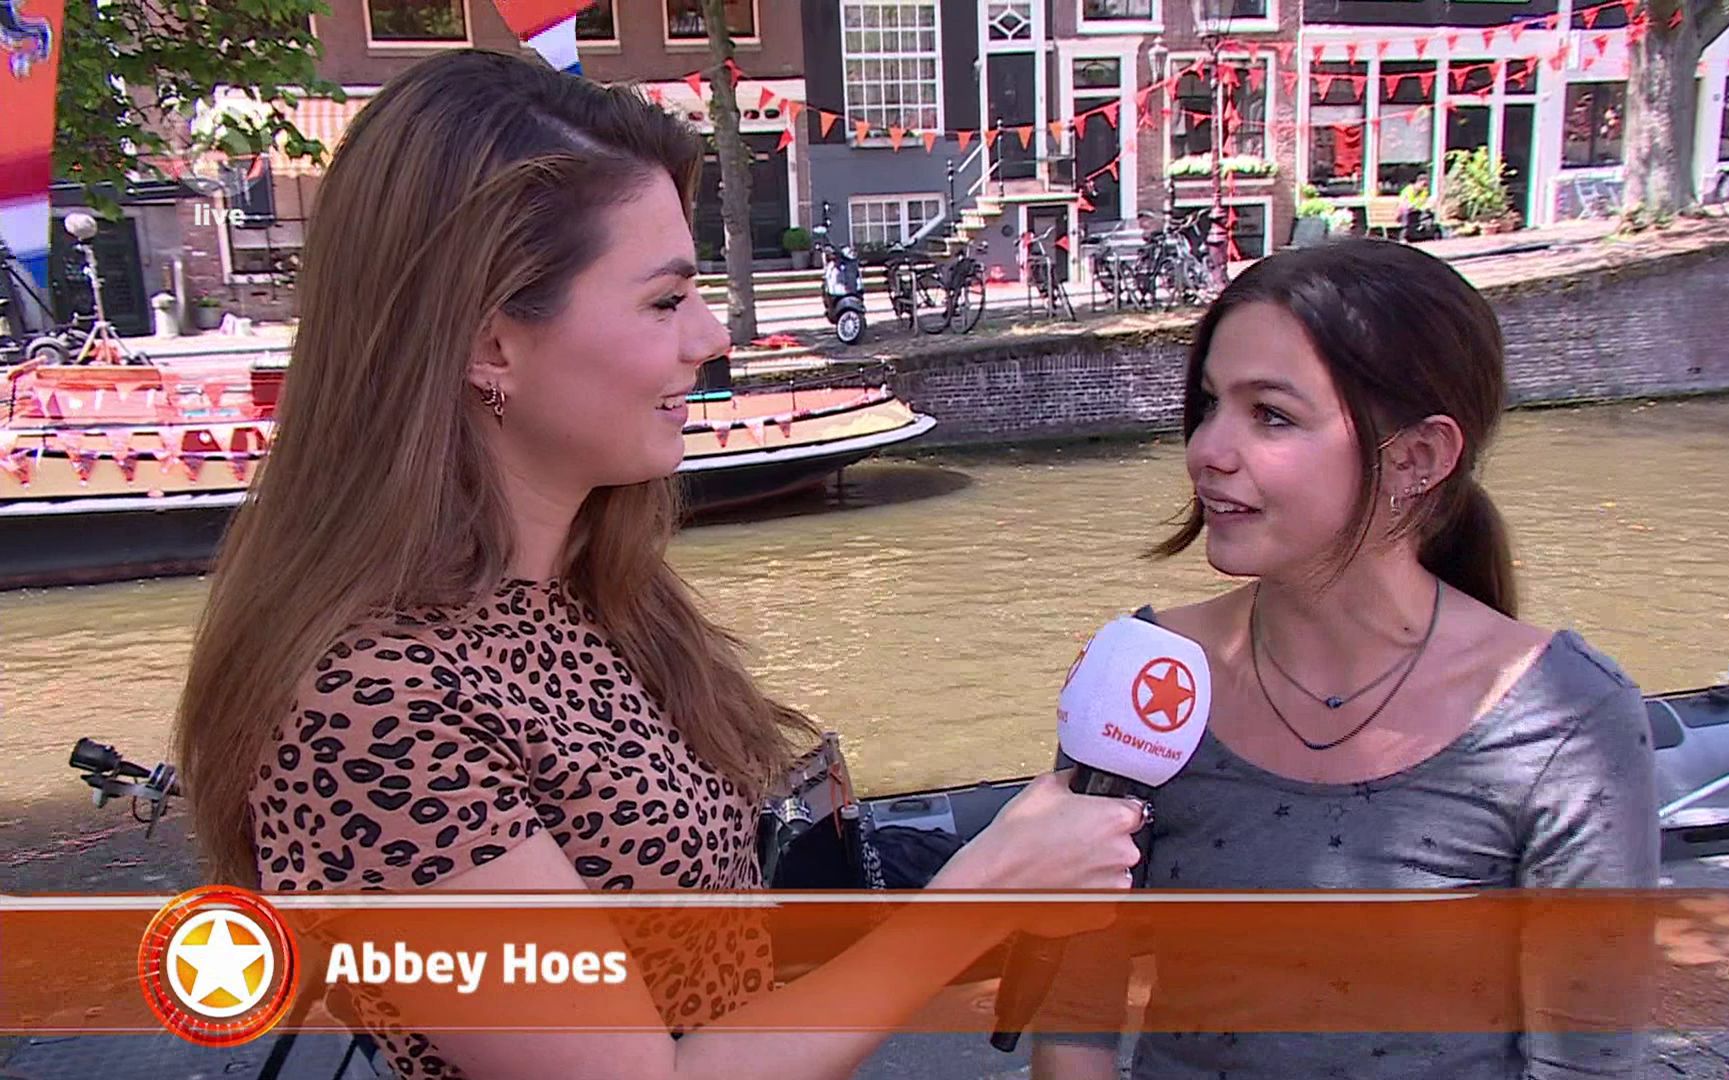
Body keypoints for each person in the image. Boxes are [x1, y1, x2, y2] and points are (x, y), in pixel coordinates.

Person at [172, 49, 1145, 1080]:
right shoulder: (370, 704)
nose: (712, 337)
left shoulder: (584, 592)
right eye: (665, 300)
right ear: (490, 345)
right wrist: (979, 897)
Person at [1031, 239, 1658, 1079]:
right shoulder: (1144, 678)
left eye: (1271, 415)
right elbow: (1076, 1007)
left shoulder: (1566, 721)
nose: (1207, 450)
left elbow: (1587, 1062)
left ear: (1416, 458)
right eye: (1211, 403)